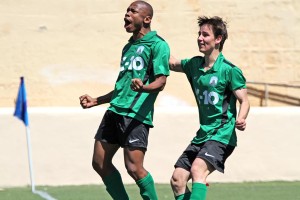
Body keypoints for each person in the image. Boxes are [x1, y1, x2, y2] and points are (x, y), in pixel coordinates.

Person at [79, 1, 170, 199]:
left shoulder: (158, 45)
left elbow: (161, 81)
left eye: (132, 11)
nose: (126, 15)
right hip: (114, 111)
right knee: (99, 162)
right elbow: (122, 87)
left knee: (134, 168)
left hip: (135, 115)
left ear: (146, 19)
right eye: (126, 11)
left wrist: (144, 87)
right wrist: (97, 100)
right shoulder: (128, 47)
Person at [169, 16, 250, 200]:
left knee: (198, 170)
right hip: (203, 134)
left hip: (222, 134)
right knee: (178, 180)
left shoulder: (230, 70)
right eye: (199, 34)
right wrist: (155, 43)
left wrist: (242, 117)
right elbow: (172, 63)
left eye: (205, 35)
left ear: (218, 39)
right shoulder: (194, 64)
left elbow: (244, 100)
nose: (200, 38)